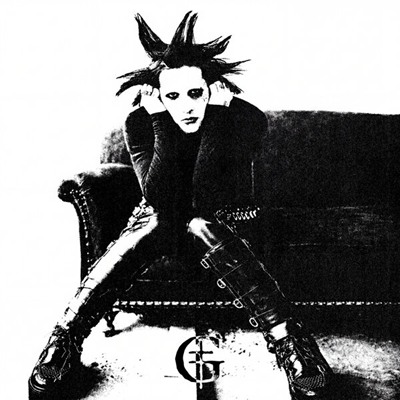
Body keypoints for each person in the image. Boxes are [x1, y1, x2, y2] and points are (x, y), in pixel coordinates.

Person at [28, 12, 332, 399]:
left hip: (224, 222)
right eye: (172, 96)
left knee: (199, 221)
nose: (186, 106)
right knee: (158, 219)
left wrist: (217, 116)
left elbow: (206, 197)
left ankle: (292, 344)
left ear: (213, 90)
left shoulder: (243, 118)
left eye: (195, 94)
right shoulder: (142, 123)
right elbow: (158, 196)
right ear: (158, 97)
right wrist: (160, 122)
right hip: (161, 223)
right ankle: (65, 340)